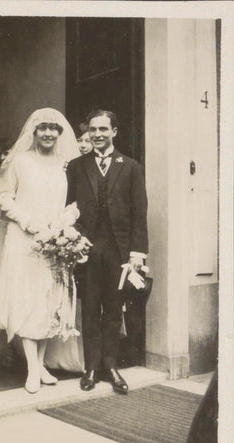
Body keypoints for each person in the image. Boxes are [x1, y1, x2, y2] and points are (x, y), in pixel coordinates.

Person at [0, 108, 82, 393]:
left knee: (48, 304)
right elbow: (5, 199)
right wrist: (30, 222)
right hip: (24, 241)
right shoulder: (20, 161)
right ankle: (33, 370)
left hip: (54, 242)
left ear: (60, 133)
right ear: (34, 132)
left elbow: (73, 202)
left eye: (54, 128)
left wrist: (61, 224)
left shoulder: (65, 164)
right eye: (43, 128)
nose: (48, 133)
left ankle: (41, 365)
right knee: (26, 302)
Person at [66, 110, 148, 394]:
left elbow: (139, 213)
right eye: (93, 129)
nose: (97, 134)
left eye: (103, 129)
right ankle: (91, 367)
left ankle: (111, 366)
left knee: (114, 309)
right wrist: (73, 239)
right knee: (89, 308)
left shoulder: (131, 167)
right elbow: (69, 209)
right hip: (87, 249)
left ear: (115, 131)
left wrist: (137, 253)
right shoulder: (77, 166)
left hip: (118, 250)